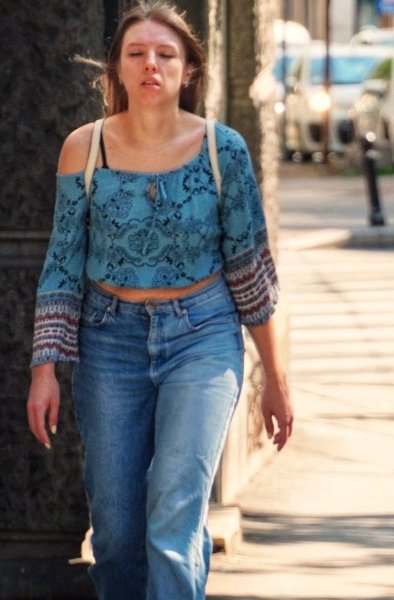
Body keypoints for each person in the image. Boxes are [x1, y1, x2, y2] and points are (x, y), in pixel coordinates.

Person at [24, 3, 293, 598]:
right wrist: (45, 368)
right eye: (136, 54)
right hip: (108, 342)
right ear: (116, 71)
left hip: (202, 336)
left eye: (166, 54)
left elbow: (251, 273)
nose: (151, 65)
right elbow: (63, 265)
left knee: (174, 514)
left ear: (188, 70)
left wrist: (274, 377)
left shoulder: (224, 151)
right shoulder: (83, 149)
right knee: (117, 532)